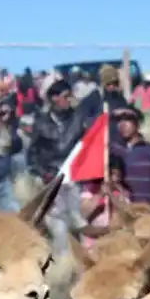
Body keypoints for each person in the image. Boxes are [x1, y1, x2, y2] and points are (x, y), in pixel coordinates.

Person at [27, 78, 88, 254]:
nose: (69, 100)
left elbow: (88, 145)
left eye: (71, 96)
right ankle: (63, 268)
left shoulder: (78, 120)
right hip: (51, 182)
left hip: (76, 180)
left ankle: (81, 263)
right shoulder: (41, 123)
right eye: (66, 96)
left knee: (79, 224)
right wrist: (43, 173)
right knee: (58, 227)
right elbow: (32, 155)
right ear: (54, 98)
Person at [110, 105, 150, 212]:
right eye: (119, 121)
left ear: (137, 124)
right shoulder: (112, 152)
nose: (122, 124)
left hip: (148, 213)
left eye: (128, 120)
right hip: (122, 214)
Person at [79, 154, 132, 248]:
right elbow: (84, 213)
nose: (115, 179)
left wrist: (112, 195)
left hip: (116, 240)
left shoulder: (124, 191)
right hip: (94, 240)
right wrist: (100, 195)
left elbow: (126, 212)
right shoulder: (90, 189)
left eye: (118, 175)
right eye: (112, 174)